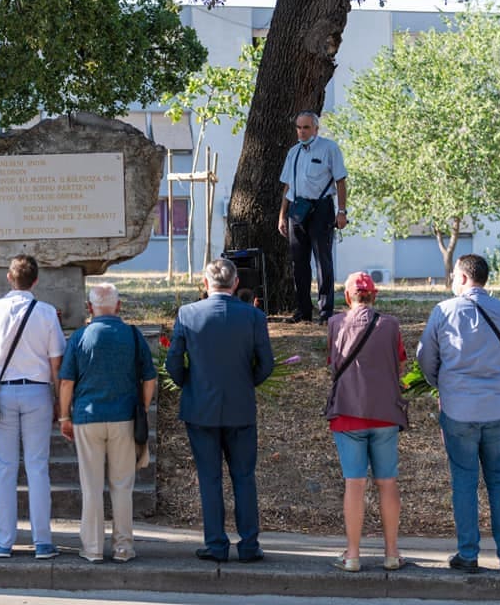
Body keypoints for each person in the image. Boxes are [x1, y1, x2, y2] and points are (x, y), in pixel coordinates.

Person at [417, 254, 500, 575]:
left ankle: (468, 553)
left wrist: (443, 385)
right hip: (499, 409)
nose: (452, 281)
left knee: (464, 481)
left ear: (464, 278)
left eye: (454, 276)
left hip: (458, 410)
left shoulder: (443, 312)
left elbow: (426, 359)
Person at [165, 258, 275, 563]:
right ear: (236, 283)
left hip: (200, 408)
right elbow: (266, 364)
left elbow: (173, 361)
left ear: (205, 284)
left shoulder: (188, 313)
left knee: (209, 478)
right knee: (244, 477)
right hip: (240, 407)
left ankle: (216, 544)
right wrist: (246, 382)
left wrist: (189, 384)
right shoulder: (253, 316)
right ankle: (249, 545)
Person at [0, 254, 65, 560]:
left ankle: (4, 541)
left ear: (9, 279)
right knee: (38, 467)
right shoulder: (47, 312)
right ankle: (42, 541)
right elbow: (56, 362)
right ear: (35, 280)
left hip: (1, 392)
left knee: (5, 468)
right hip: (37, 391)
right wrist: (58, 399)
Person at [58, 283, 157, 563]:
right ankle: (123, 547)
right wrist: (143, 408)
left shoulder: (80, 337)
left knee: (90, 485)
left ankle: (91, 548)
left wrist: (64, 416)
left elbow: (66, 381)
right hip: (123, 416)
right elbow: (149, 378)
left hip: (88, 417)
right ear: (119, 305)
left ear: (89, 308)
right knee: (122, 485)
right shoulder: (133, 335)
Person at [324, 272, 408, 572]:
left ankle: (353, 554)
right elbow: (401, 363)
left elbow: (332, 362)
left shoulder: (335, 323)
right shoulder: (391, 324)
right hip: (385, 413)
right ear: (375, 295)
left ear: (348, 297)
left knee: (354, 484)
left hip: (347, 413)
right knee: (387, 483)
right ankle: (392, 553)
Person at [276, 111, 348, 324]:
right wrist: (282, 215)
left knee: (322, 261)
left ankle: (326, 312)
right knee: (299, 263)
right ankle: (303, 311)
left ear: (316, 129)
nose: (301, 132)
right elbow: (287, 185)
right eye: (298, 127)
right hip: (297, 209)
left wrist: (341, 212)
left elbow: (341, 181)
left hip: (321, 208)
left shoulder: (329, 148)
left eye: (306, 127)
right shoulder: (294, 152)